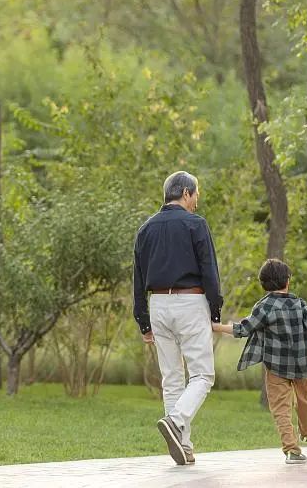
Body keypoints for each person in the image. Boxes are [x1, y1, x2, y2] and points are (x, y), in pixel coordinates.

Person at [133, 171, 223, 466]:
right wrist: (215, 307)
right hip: (190, 300)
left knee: (172, 378)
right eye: (196, 193)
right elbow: (209, 268)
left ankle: (183, 445)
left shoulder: (146, 228)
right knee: (202, 375)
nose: (197, 200)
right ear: (185, 193)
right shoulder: (196, 224)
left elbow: (138, 277)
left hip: (157, 303)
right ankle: (176, 421)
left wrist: (143, 319)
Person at [212, 258, 307, 465]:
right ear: (287, 281)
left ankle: (292, 450)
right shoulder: (299, 303)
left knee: (281, 408)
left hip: (276, 367)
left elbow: (244, 328)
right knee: (305, 401)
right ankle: (306, 430)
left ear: (263, 284)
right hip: (302, 364)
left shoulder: (264, 306)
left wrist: (216, 327)